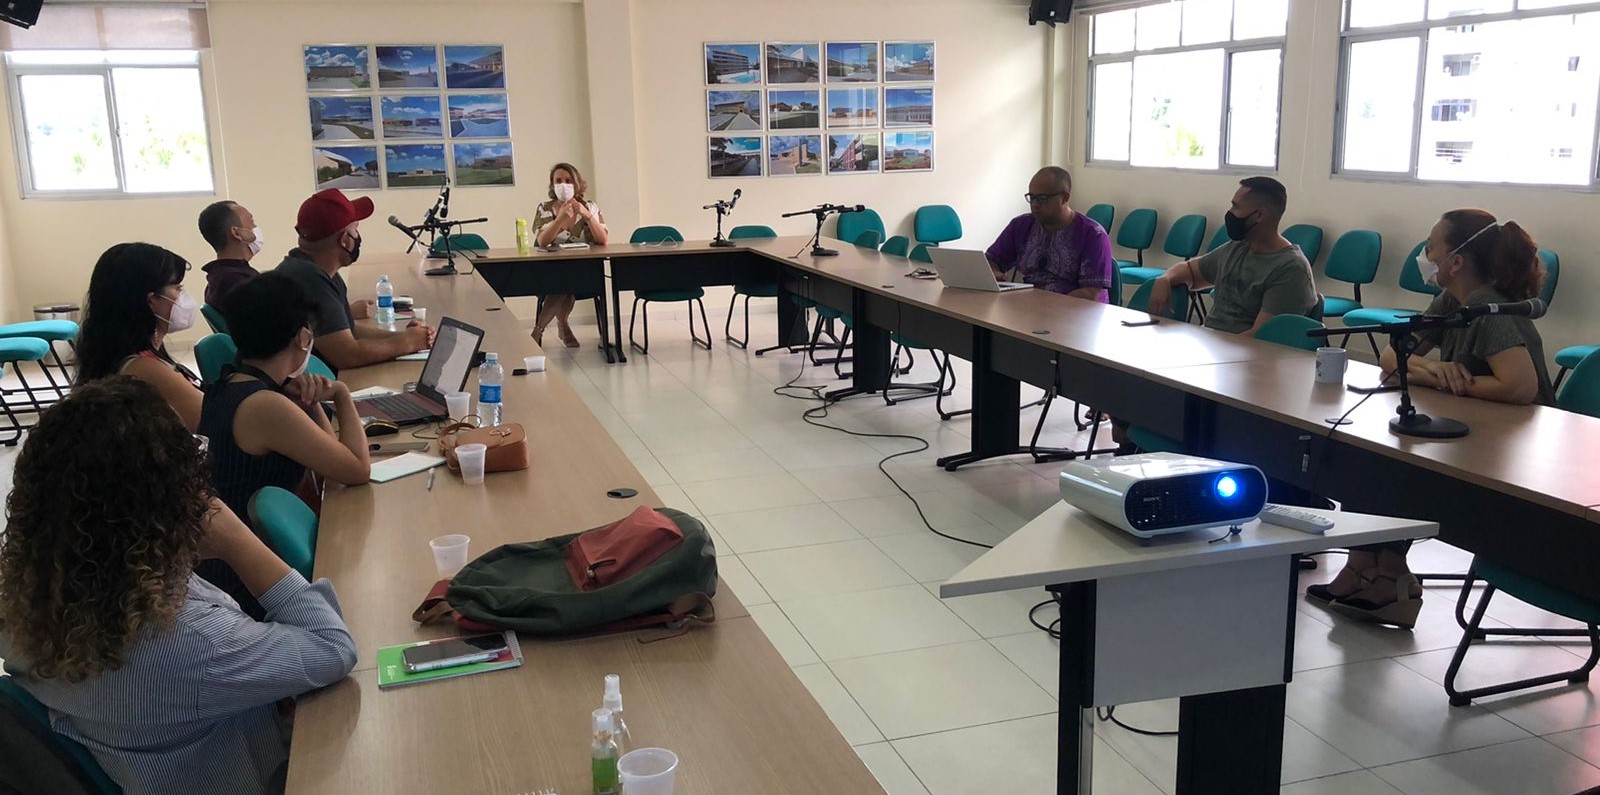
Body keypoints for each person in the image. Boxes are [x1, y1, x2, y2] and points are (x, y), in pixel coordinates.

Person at [0, 377, 357, 795]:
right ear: (170, 498)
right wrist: (237, 543)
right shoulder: (191, 641)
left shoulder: (29, 607)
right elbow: (334, 647)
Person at [1308, 210, 1553, 628]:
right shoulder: (1451, 300)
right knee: (1375, 455)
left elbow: (1519, 387)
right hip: (1473, 430)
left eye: (1431, 246)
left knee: (1397, 470)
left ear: (1455, 260)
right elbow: (1392, 356)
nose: (1425, 254)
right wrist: (1432, 370)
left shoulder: (1488, 308)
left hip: (1515, 448)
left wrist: (1444, 381)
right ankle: (1366, 569)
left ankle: (1391, 578)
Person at [197, 272, 372, 617]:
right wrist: (342, 395)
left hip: (230, 565)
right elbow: (356, 469)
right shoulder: (264, 406)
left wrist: (310, 405)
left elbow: (327, 461)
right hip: (245, 585)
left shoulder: (230, 383)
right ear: (304, 337)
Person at [275, 188, 431, 370]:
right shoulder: (310, 282)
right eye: (355, 229)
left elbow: (349, 332)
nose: (358, 236)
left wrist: (407, 336)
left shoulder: (314, 271)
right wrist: (407, 343)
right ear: (344, 240)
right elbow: (347, 354)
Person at [1148, 176, 1318, 333]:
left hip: (1246, 359)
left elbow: (1262, 339)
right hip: (1214, 345)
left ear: (1259, 215)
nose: (1230, 213)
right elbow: (1191, 271)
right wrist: (1166, 278)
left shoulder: (1290, 269)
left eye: (1236, 207)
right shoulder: (1238, 247)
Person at [74, 242, 204, 430]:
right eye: (177, 287)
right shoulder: (143, 368)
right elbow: (214, 425)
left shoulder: (119, 353)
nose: (183, 296)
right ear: (151, 300)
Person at [985, 166, 1114, 301]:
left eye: (1042, 198)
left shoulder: (1093, 235)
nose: (1035, 204)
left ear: (1064, 198)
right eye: (1032, 197)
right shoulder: (1021, 225)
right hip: (1027, 309)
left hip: (1075, 314)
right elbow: (991, 260)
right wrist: (993, 273)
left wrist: (1045, 307)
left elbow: (1091, 293)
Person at [532, 162, 609, 347]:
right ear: (552, 185)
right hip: (552, 269)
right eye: (558, 181)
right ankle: (560, 326)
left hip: (585, 268)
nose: (563, 185)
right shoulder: (545, 207)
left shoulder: (590, 207)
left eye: (568, 181)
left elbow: (603, 240)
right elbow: (542, 241)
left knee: (567, 282)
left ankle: (539, 330)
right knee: (563, 284)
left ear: (577, 183)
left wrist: (587, 215)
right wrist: (560, 219)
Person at [199, 200, 265, 307]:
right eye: (251, 222)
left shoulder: (220, 278)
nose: (256, 227)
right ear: (236, 233)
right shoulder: (237, 284)